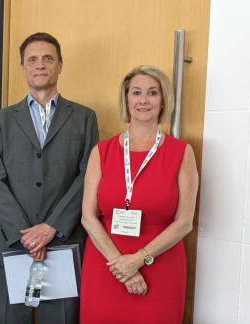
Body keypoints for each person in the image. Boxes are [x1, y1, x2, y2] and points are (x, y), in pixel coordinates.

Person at [0, 32, 99, 324]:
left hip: (62, 244)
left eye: (48, 58)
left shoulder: (84, 118)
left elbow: (87, 177)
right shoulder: (0, 120)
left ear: (60, 64)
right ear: (22, 67)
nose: (40, 65)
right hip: (13, 244)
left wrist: (52, 227)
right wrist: (27, 236)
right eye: (32, 59)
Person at [79, 65, 199, 323]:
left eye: (152, 93)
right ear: (126, 99)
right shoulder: (102, 151)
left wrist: (138, 259)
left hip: (160, 265)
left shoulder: (181, 152)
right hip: (106, 265)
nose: (143, 100)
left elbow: (184, 222)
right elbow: (88, 217)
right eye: (136, 92)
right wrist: (123, 266)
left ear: (164, 100)